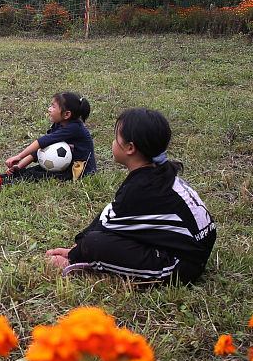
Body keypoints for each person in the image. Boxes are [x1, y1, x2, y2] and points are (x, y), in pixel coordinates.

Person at [46, 108, 216, 284]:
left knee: (95, 243)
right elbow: (110, 213)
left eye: (115, 138)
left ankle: (80, 262)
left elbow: (104, 230)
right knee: (95, 235)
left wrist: (74, 255)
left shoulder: (140, 189)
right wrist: (77, 244)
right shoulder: (160, 174)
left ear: (130, 148)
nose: (112, 143)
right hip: (189, 250)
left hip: (180, 267)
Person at [0, 91, 95, 191]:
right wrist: (20, 165)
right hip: (59, 166)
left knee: (32, 176)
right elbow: (40, 151)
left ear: (67, 114)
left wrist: (19, 156)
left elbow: (42, 142)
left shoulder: (74, 128)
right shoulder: (60, 124)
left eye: (53, 106)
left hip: (76, 172)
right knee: (21, 172)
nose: (49, 109)